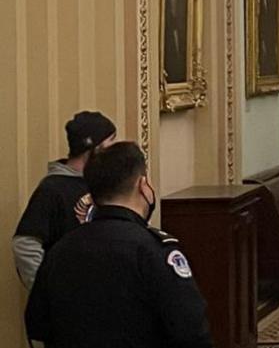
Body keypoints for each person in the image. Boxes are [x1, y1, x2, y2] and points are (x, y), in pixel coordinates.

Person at [25, 141, 212, 348]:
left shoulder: (60, 250)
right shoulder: (154, 251)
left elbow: (37, 326)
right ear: (142, 185)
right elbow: (192, 331)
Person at [12, 110, 116, 289]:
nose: (114, 151)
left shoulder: (102, 184)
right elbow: (25, 244)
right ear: (93, 147)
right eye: (110, 142)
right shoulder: (52, 189)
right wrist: (48, 291)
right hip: (69, 298)